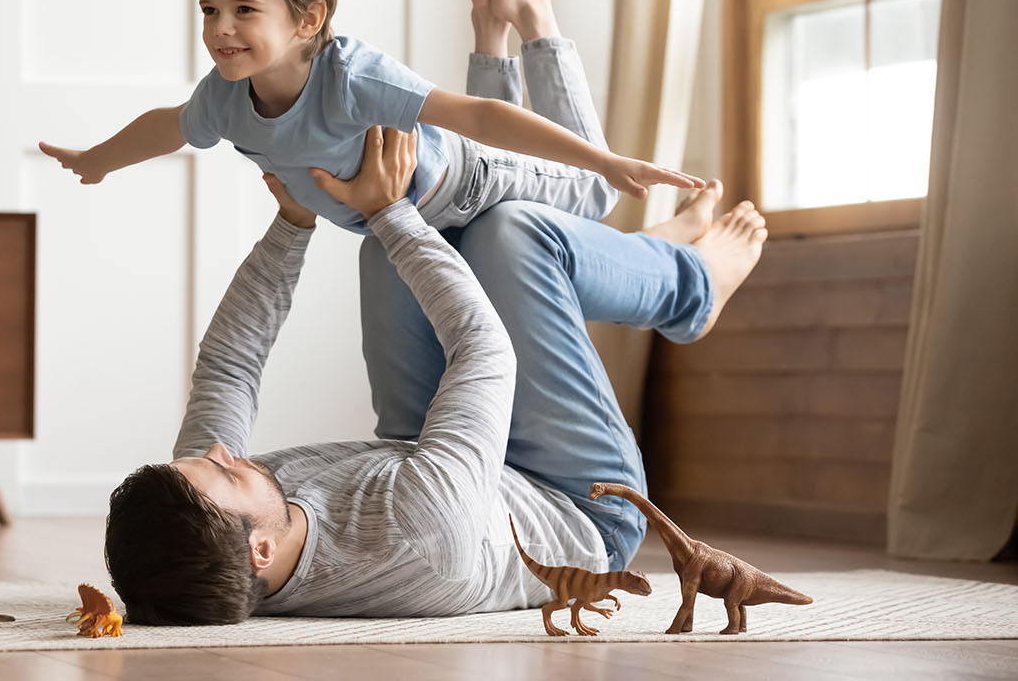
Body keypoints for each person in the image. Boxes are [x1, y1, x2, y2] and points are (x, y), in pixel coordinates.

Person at [102, 122, 767, 625]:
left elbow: (229, 365)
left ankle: (639, 252)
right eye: (222, 472)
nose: (223, 454)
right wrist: (390, 211)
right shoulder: (421, 535)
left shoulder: (213, 526)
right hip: (579, 502)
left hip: (432, 456)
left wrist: (292, 221)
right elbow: (485, 351)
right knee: (511, 235)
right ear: (260, 556)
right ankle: (690, 285)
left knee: (390, 255)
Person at [39, 0, 704, 237]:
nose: (219, 28)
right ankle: (493, 20)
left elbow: (474, 118)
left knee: (595, 197)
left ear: (308, 19)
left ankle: (532, 17)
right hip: (415, 216)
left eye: (244, 10)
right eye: (210, 8)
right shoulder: (225, 98)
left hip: (466, 183)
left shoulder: (350, 76)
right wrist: (99, 160)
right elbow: (171, 127)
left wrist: (605, 159)